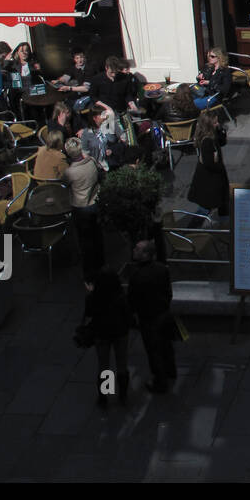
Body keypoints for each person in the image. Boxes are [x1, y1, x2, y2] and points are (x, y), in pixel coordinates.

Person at [127, 240, 177, 395]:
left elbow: (132, 299)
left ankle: (160, 382)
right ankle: (171, 371)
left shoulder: (136, 275)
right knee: (166, 345)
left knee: (153, 351)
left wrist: (133, 314)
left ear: (146, 255)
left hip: (148, 318)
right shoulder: (162, 269)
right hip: (164, 313)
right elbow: (168, 292)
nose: (134, 250)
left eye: (137, 249)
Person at [83, 267, 131, 408]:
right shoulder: (121, 297)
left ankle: (105, 396)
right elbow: (127, 315)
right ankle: (122, 395)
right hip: (120, 334)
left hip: (101, 334)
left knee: (104, 366)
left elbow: (89, 314)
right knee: (122, 363)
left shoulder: (92, 298)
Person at [62, 137, 103, 278]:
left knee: (85, 241)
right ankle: (101, 263)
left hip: (80, 207)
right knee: (97, 235)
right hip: (94, 204)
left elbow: (64, 184)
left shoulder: (70, 172)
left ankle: (89, 272)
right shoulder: (91, 162)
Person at [187, 110, 230, 221]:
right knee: (205, 208)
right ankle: (191, 229)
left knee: (222, 203)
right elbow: (208, 163)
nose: (217, 124)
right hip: (209, 181)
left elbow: (222, 142)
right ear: (208, 125)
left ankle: (225, 224)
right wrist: (220, 167)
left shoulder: (213, 134)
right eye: (215, 123)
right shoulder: (207, 141)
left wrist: (221, 130)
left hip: (216, 178)